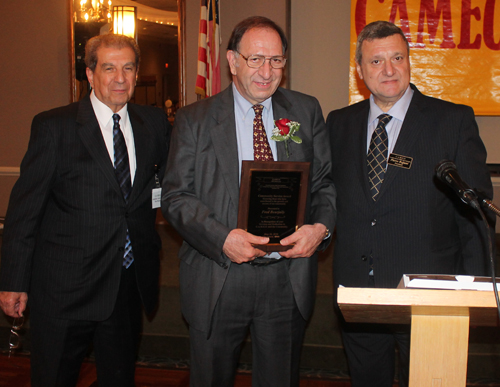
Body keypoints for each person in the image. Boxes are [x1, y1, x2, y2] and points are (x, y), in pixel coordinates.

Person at [162, 16, 336, 387]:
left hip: (284, 279)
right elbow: (176, 197)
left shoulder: (305, 112)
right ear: (232, 61)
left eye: (276, 60)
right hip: (217, 277)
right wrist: (222, 238)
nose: (266, 71)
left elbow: (324, 184)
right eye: (255, 59)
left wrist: (320, 229)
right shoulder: (195, 120)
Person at [327, 20, 493, 387]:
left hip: (430, 296)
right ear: (360, 71)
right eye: (376, 61)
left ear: (408, 61)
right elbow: (328, 197)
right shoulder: (338, 124)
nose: (388, 70)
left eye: (397, 57)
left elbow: (474, 214)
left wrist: (475, 290)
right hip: (360, 292)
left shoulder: (452, 121)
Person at [0, 33, 170, 386]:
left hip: (126, 285)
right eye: (109, 68)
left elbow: (169, 187)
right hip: (65, 290)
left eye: (128, 68)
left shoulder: (154, 125)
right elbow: (24, 212)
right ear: (90, 75)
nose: (120, 78)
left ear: (138, 75)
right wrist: (14, 281)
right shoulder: (54, 127)